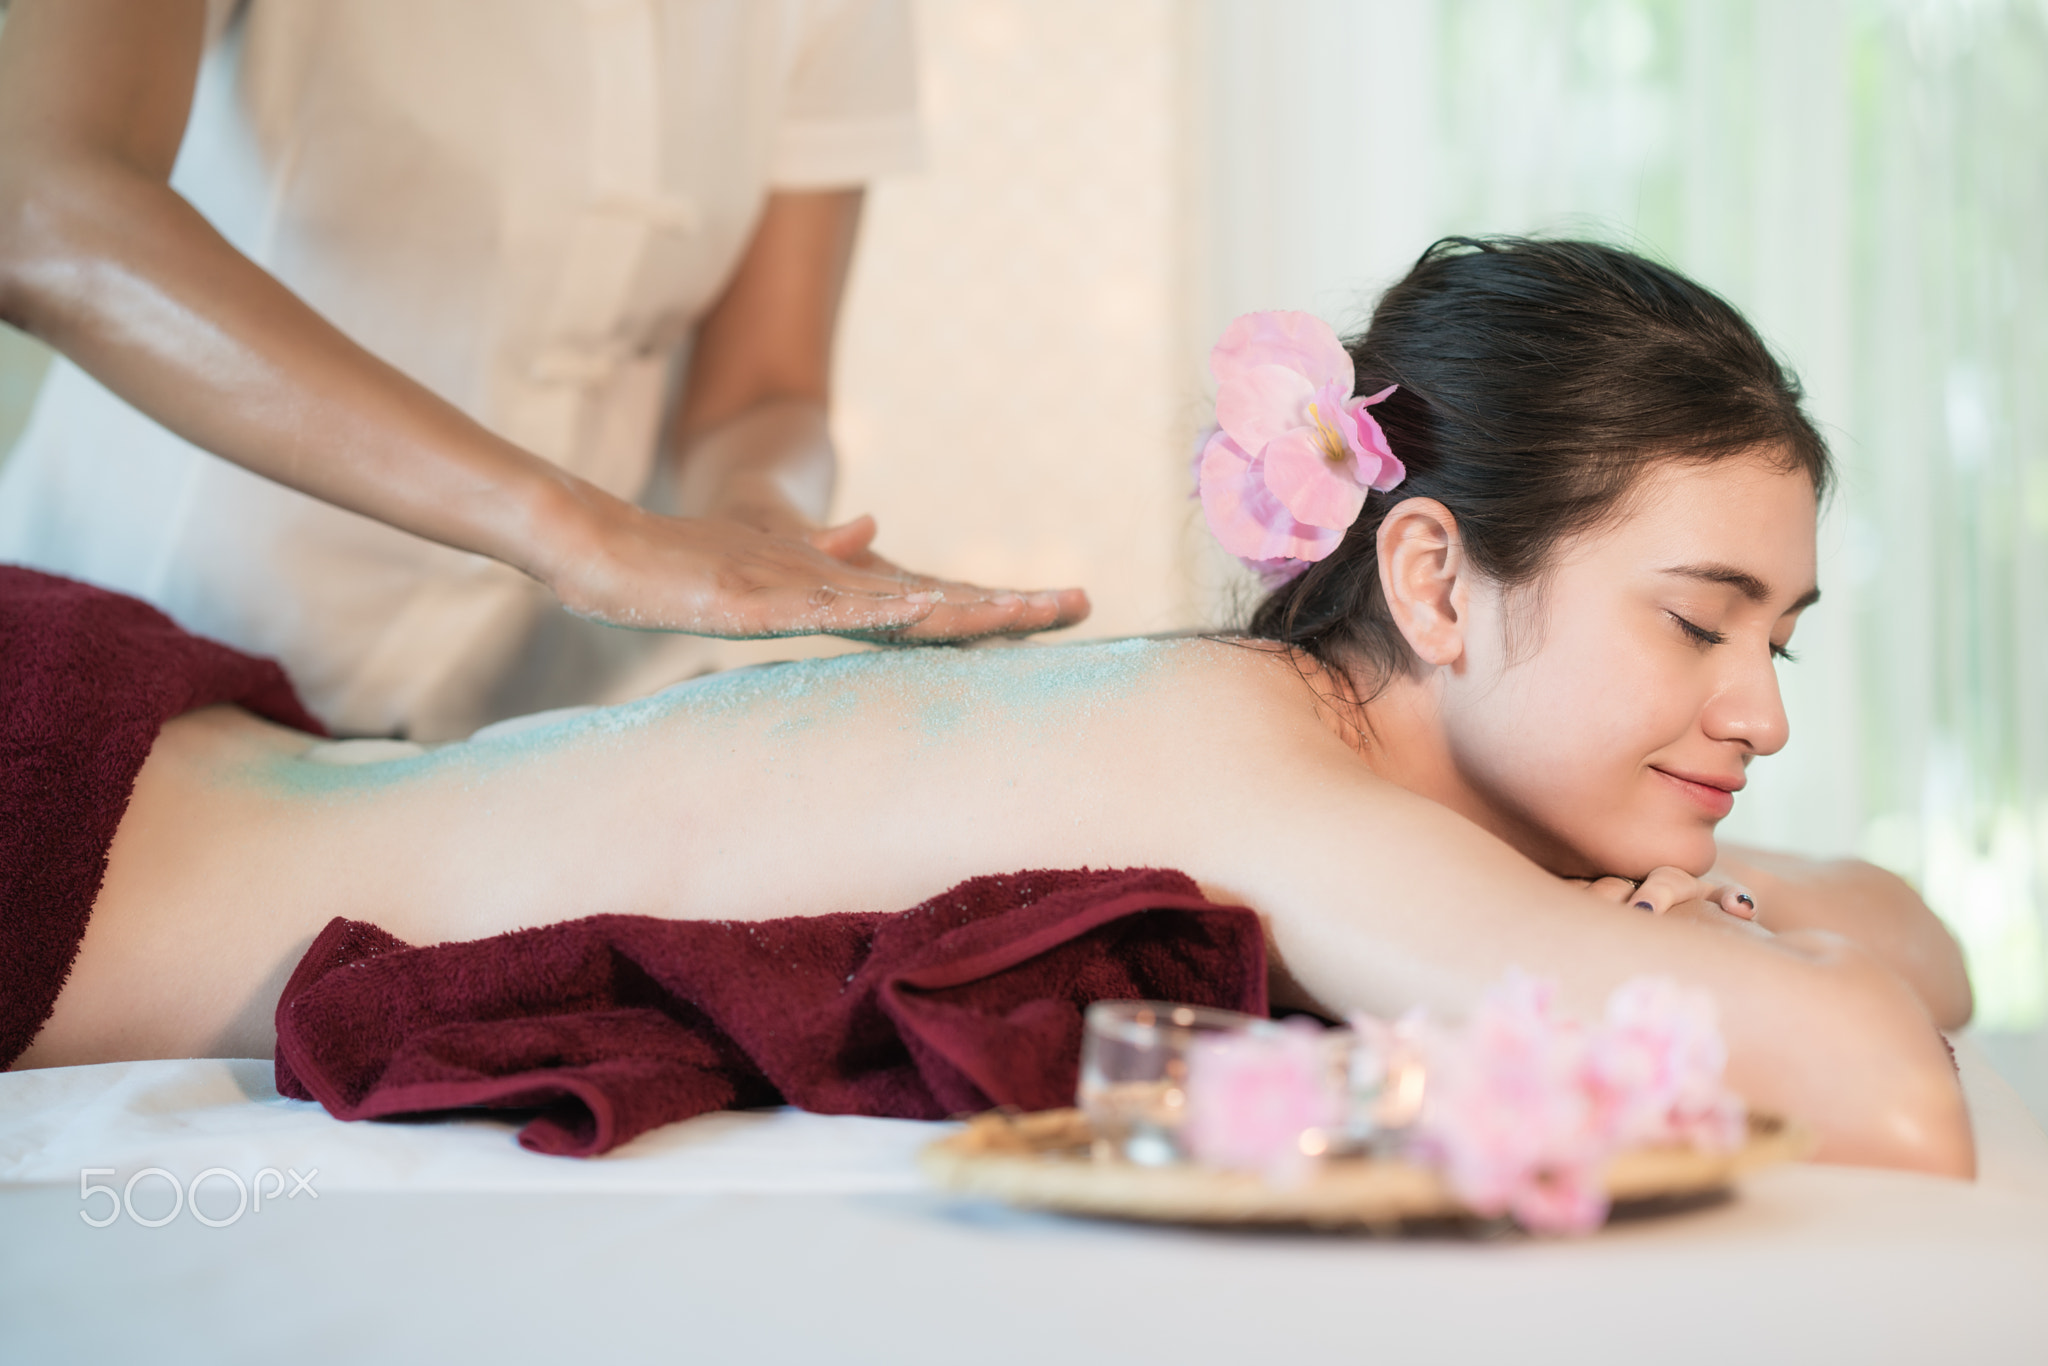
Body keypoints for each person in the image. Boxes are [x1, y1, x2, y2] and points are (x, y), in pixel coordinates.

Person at [10, 239, 1975, 1179]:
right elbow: (1885, 1082)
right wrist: (1675, 938)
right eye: (1701, 623)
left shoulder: (1323, 764)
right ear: (1438, 578)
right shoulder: (1250, 761)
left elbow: (1911, 943)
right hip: (60, 814)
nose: (1758, 712)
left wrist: (1665, 913)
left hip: (171, 755)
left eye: (1779, 641)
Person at [0, 0, 1088, 741]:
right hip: (130, 675)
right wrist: (574, 532)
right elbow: (39, 212)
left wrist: (759, 514)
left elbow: (766, 387)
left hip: (499, 734)